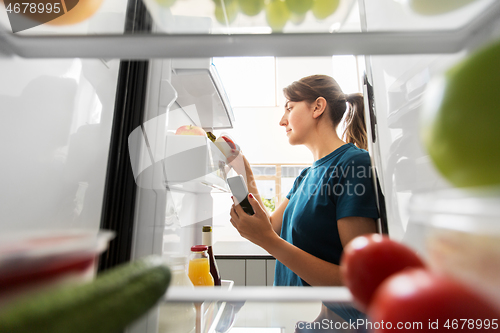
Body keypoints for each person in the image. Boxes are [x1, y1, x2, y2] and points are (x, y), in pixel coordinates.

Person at [228, 74, 379, 322]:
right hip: (294, 321)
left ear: (318, 107)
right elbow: (271, 227)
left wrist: (268, 241)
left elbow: (359, 282)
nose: (282, 120)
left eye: (289, 108)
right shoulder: (307, 175)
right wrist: (242, 169)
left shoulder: (353, 164)